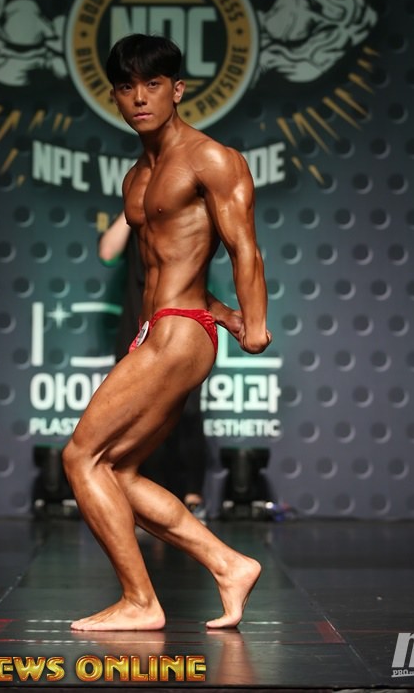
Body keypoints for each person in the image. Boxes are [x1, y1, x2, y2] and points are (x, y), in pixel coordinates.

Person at [62, 33, 272, 632]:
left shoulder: (211, 158)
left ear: (176, 90)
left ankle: (140, 601)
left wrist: (254, 322)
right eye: (126, 87)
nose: (139, 98)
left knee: (80, 456)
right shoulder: (135, 179)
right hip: (161, 326)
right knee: (116, 472)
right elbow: (170, 263)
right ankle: (229, 565)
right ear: (114, 96)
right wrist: (222, 313)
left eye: (152, 84)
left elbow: (243, 246)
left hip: (179, 333)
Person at [99, 211, 208, 521]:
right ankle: (142, 500)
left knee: (186, 413)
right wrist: (131, 211)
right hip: (138, 328)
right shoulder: (135, 218)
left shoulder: (190, 215)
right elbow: (107, 253)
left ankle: (192, 497)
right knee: (134, 417)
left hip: (182, 327)